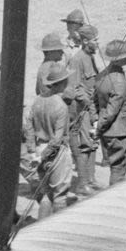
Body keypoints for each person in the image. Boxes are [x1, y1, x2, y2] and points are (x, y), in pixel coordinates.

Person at [56, 11, 100, 196]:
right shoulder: (75, 58)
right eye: (95, 41)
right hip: (79, 108)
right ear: (86, 41)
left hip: (89, 107)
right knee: (82, 144)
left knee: (91, 142)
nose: (98, 44)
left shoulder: (88, 56)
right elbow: (74, 87)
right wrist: (89, 104)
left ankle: (90, 179)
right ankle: (83, 183)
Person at [22, 69, 74, 219]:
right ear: (62, 83)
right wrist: (44, 156)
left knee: (45, 194)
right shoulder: (61, 106)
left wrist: (33, 152)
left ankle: (41, 226)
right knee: (60, 195)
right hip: (57, 153)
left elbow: (29, 127)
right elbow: (57, 140)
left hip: (39, 148)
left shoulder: (37, 100)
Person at [91, 39, 126, 189]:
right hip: (117, 129)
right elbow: (112, 110)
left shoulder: (102, 75)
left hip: (107, 129)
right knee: (119, 166)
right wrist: (100, 126)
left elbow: (95, 101)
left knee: (119, 163)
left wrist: (97, 122)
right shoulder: (119, 80)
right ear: (120, 58)